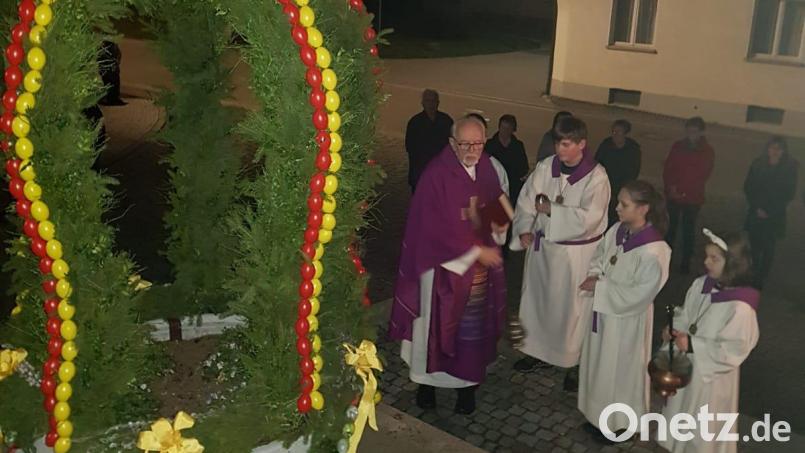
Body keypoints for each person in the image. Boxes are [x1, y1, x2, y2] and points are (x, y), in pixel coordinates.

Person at [389, 116, 509, 415]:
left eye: (478, 143)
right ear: (452, 143)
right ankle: (427, 386)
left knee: (470, 336)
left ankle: (466, 389)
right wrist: (475, 249)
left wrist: (496, 232)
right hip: (440, 272)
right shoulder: (435, 175)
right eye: (465, 143)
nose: (472, 150)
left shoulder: (489, 169)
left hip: (476, 276)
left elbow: (500, 204)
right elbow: (430, 228)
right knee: (434, 333)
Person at [510, 116, 610, 391]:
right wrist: (525, 229)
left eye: (566, 144)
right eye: (557, 143)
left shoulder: (596, 176)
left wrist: (553, 210)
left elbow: (591, 217)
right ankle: (539, 353)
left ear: (581, 144)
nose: (560, 150)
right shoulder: (546, 167)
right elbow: (527, 201)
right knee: (539, 305)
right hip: (543, 254)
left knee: (572, 311)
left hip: (574, 258)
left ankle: (574, 362)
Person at [577, 180, 671, 443]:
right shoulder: (617, 230)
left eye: (624, 204)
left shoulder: (655, 250)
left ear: (643, 209)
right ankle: (597, 416)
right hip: (604, 316)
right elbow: (599, 256)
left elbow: (642, 292)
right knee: (600, 364)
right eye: (618, 202)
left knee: (621, 370)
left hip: (627, 322)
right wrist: (596, 273)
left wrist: (602, 287)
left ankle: (620, 423)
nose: (617, 208)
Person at [659, 229, 759, 453]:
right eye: (706, 255)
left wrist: (693, 345)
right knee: (682, 415)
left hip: (710, 379)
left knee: (702, 429)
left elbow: (735, 348)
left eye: (714, 258)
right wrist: (674, 328)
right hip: (687, 369)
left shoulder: (740, 307)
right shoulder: (701, 284)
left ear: (733, 263)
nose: (706, 262)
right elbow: (686, 314)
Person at [743, 136, 798, 288]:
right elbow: (749, 186)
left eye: (778, 149)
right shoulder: (758, 164)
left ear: (783, 151)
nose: (774, 152)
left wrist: (770, 210)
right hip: (756, 211)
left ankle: (761, 277)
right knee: (754, 245)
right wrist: (757, 207)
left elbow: (788, 193)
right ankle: (752, 272)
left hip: (774, 215)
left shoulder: (789, 168)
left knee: (768, 247)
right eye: (772, 148)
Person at [663, 116, 715, 274]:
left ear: (701, 132)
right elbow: (669, 167)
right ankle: (666, 257)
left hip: (692, 197)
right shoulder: (678, 146)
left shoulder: (707, 151)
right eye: (689, 131)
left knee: (688, 229)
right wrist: (672, 188)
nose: (691, 134)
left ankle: (685, 261)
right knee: (671, 227)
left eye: (694, 131)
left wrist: (683, 192)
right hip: (675, 194)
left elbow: (702, 174)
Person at [595, 119, 642, 229]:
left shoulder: (633, 149)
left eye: (618, 132)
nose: (615, 135)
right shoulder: (606, 145)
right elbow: (597, 163)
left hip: (620, 189)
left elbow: (633, 171)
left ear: (625, 133)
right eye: (613, 132)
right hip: (605, 186)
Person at [404, 89, 453, 192]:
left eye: (433, 101)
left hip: (441, 173)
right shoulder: (415, 123)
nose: (431, 104)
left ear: (438, 103)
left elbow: (453, 146)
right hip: (420, 172)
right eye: (428, 101)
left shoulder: (446, 121)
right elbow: (410, 148)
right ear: (422, 103)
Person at [486, 114, 529, 205]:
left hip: (513, 189)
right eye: (503, 127)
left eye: (508, 128)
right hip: (494, 187)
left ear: (513, 130)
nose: (505, 131)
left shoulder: (518, 146)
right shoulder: (490, 145)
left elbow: (524, 168)